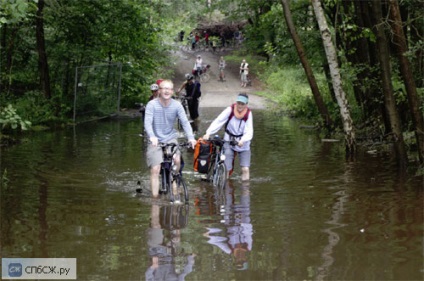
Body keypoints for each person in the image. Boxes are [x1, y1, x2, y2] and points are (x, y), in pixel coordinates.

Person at [144, 79, 197, 199]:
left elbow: (185, 122)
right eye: (164, 88)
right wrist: (152, 136)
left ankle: (175, 183)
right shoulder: (151, 104)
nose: (167, 91)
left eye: (169, 89)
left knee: (177, 160)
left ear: (172, 91)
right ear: (159, 90)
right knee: (155, 168)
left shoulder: (177, 105)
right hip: (155, 139)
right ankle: (155, 199)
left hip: (170, 138)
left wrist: (191, 138)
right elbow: (147, 123)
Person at [202, 93, 253, 181]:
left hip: (243, 143)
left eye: (242, 104)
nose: (240, 105)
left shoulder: (248, 114)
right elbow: (218, 121)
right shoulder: (230, 110)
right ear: (236, 102)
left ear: (246, 104)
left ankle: (245, 191)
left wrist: (243, 140)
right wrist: (208, 133)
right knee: (227, 168)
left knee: (245, 169)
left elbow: (249, 131)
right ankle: (225, 188)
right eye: (239, 103)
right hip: (229, 141)